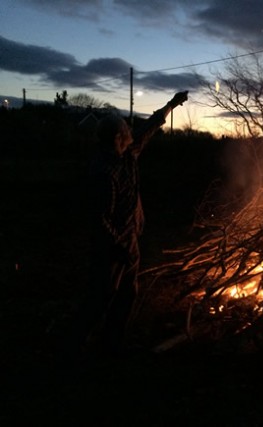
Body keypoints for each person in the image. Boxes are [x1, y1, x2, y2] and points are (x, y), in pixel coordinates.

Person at [79, 91, 188, 356]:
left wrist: (171, 105)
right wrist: (119, 246)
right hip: (111, 247)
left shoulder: (127, 154)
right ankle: (77, 345)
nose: (131, 132)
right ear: (117, 138)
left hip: (129, 239)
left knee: (127, 295)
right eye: (126, 130)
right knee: (102, 296)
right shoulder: (104, 172)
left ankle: (111, 344)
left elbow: (149, 128)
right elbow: (99, 218)